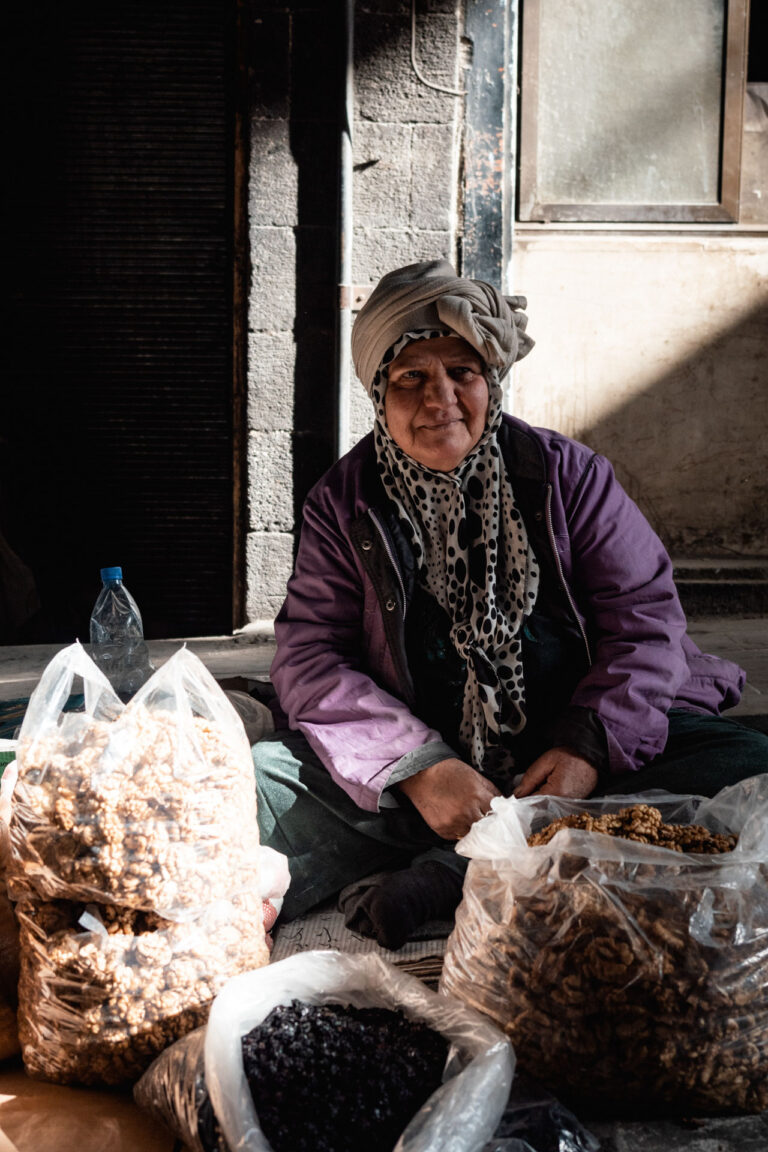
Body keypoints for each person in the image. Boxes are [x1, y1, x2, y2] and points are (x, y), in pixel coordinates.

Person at [252, 259, 768, 949]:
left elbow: (644, 622)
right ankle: (515, 854)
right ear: (380, 393)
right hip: (433, 778)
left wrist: (588, 744)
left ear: (490, 382)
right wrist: (417, 768)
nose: (442, 400)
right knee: (249, 789)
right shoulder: (344, 502)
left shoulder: (567, 475)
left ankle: (454, 875)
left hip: (573, 761)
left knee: (746, 771)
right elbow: (311, 656)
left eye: (461, 374)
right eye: (412, 379)